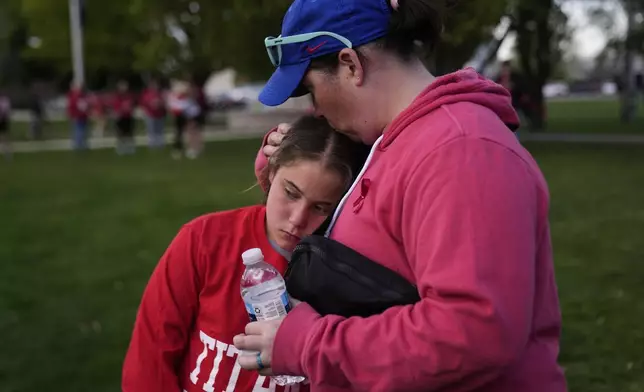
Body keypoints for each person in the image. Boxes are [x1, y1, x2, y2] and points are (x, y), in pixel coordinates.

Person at [233, 0, 567, 391]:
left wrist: (307, 343)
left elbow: (472, 334)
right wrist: (275, 164)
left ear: (351, 64)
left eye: (311, 90)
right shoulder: (399, 139)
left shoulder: (461, 149)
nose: (316, 111)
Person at [122, 115, 365, 392]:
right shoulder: (205, 238)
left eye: (320, 207)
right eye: (290, 193)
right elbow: (150, 355)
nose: (297, 219)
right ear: (271, 172)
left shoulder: (344, 271)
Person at [112, 80, 137, 155]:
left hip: (128, 117)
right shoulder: (117, 97)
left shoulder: (129, 96)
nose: (124, 88)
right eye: (122, 86)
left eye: (125, 86)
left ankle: (130, 149)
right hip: (121, 117)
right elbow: (116, 107)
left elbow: (132, 105)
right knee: (121, 133)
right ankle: (121, 148)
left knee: (129, 133)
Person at [140, 79, 167, 149]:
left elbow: (164, 103)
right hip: (150, 114)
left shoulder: (160, 94)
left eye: (155, 85)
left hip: (160, 114)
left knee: (159, 130)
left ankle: (160, 144)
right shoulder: (146, 94)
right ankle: (152, 144)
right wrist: (151, 104)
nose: (154, 86)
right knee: (151, 130)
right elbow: (144, 103)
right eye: (152, 85)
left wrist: (159, 104)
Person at [67, 80, 90, 151]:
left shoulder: (83, 96)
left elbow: (86, 105)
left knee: (83, 131)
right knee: (78, 131)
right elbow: (72, 107)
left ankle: (82, 144)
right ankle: (78, 145)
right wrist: (72, 115)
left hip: (83, 116)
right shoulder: (74, 96)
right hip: (77, 116)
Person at [0, 92, 11, 161]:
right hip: (5, 120)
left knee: (3, 137)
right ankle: (7, 153)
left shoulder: (3, 101)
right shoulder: (6, 101)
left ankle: (7, 152)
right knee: (5, 137)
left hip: (2, 120)